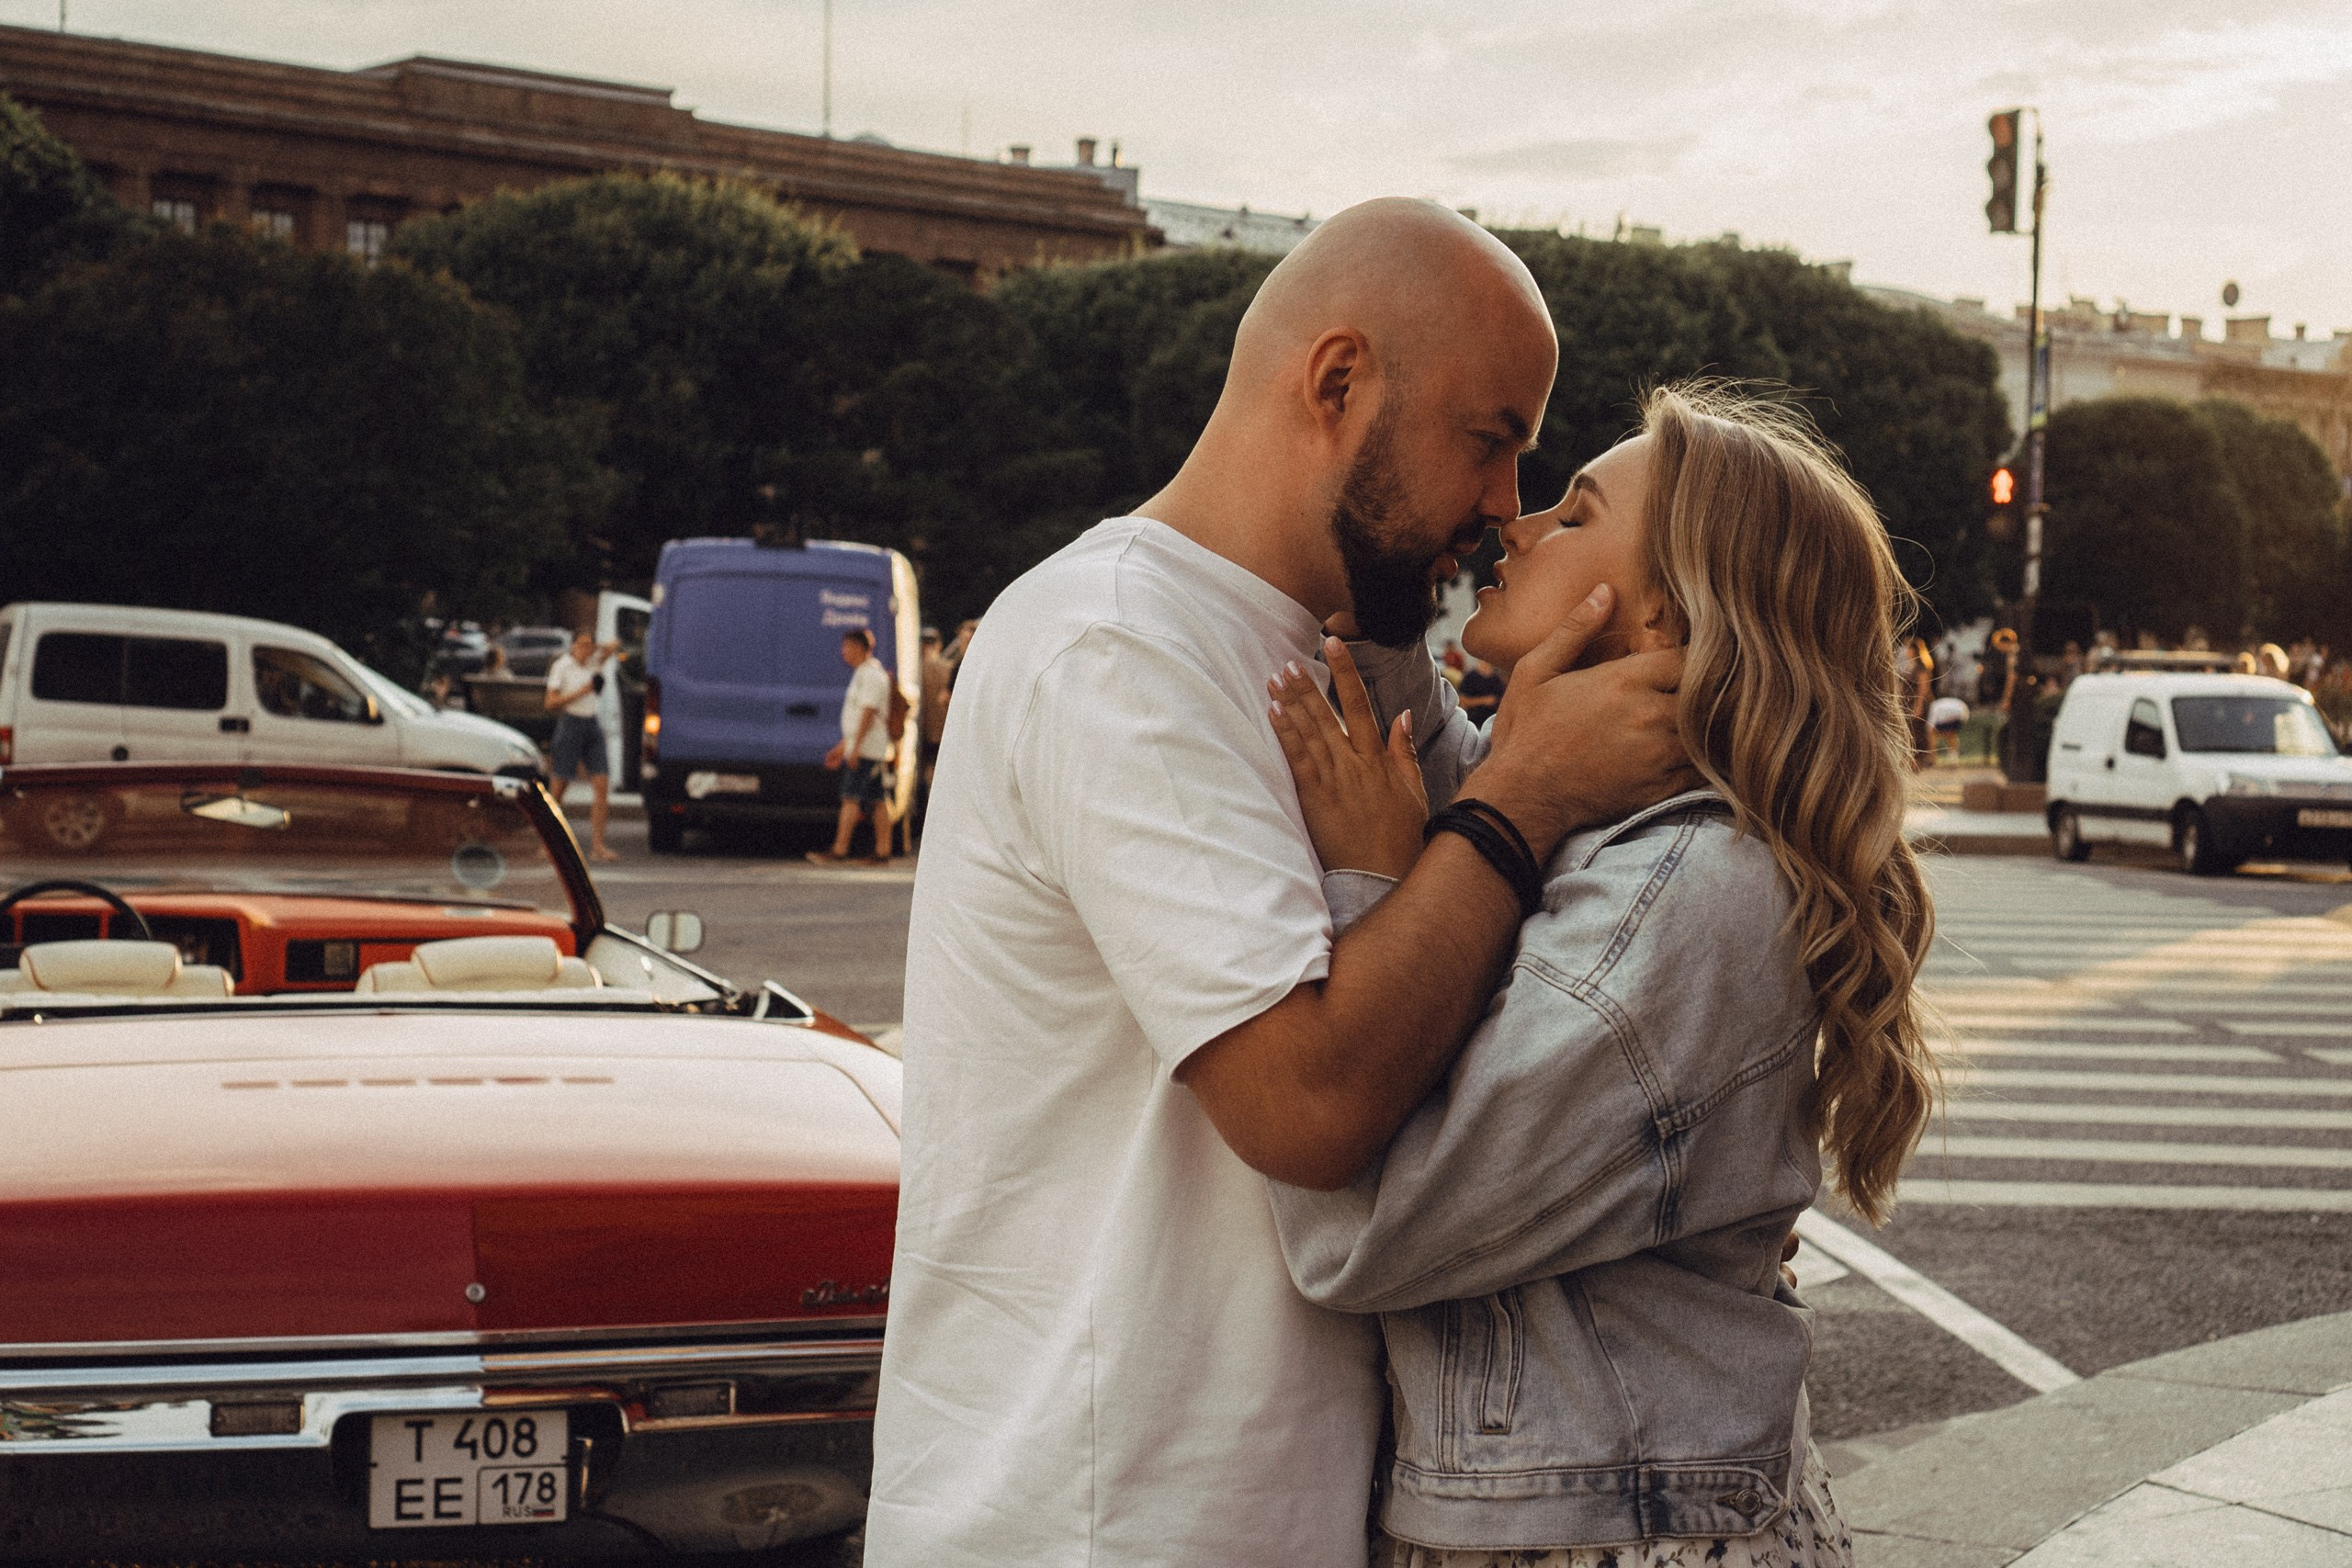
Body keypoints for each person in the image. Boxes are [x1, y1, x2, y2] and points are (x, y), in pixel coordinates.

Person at [866, 198, 1691, 1568]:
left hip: (1262, 1505)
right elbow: (1305, 1101)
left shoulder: (1368, 653)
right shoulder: (1118, 646)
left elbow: (1500, 1003)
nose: (1502, 511)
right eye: (1491, 440)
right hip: (1099, 1515)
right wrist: (1518, 793)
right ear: (1338, 381)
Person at [1263, 382, 1934, 1566]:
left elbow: (1366, 1231)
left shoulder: (1686, 895)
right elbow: (1468, 769)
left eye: (1571, 512)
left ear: (1664, 619)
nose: (1512, 523)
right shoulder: (1620, 830)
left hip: (1603, 1528)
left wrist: (1374, 884)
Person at [808, 627, 897, 866]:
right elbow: (859, 718)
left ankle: (839, 849)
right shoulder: (864, 674)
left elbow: (867, 714)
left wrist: (855, 748)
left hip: (867, 749)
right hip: (867, 747)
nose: (843, 652)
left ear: (858, 647)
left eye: (846, 646)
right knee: (878, 799)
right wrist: (842, 748)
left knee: (850, 797)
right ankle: (883, 851)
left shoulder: (870, 676)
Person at [543, 629, 621, 863]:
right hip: (571, 722)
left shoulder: (595, 660)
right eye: (582, 646)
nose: (586, 650)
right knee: (560, 785)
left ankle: (598, 845)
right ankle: (549, 842)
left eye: (589, 646)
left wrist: (596, 650)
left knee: (601, 784)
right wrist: (581, 692)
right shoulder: (562, 666)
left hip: (592, 722)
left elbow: (616, 643)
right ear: (572, 646)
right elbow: (550, 702)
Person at [1455, 652, 1504, 724]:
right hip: (1474, 721)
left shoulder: (1497, 679)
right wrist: (1483, 700)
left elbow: (1502, 700)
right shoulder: (1470, 677)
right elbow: (1462, 700)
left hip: (1492, 722)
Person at [1928, 690, 1971, 763]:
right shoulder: (1936, 705)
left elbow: (1930, 728)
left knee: (1933, 734)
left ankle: (1933, 758)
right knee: (1950, 735)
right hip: (1963, 712)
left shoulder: (1932, 708)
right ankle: (1953, 757)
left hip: (1958, 713)